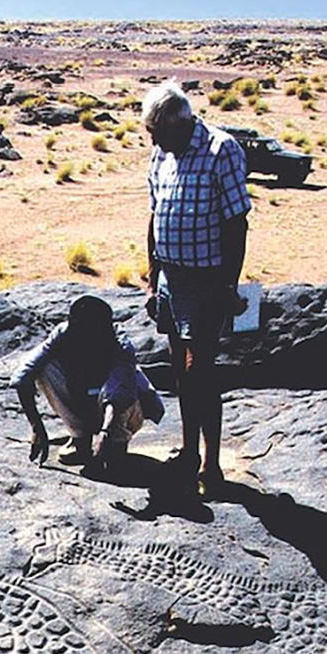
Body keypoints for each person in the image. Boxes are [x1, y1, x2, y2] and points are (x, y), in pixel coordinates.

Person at [142, 79, 251, 495]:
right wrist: (153, 280)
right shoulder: (161, 155)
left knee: (200, 372)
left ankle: (212, 464)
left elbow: (236, 222)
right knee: (180, 373)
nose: (151, 139)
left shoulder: (221, 151)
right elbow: (154, 217)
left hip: (208, 280)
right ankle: (188, 452)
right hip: (172, 276)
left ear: (177, 123)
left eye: (156, 132)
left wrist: (228, 284)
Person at [12, 295, 163, 474]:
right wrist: (37, 427)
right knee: (45, 368)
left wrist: (105, 434)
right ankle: (80, 437)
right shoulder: (64, 334)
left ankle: (116, 441)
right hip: (84, 400)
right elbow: (24, 375)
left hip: (116, 409)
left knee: (122, 389)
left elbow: (117, 394)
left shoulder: (120, 344)